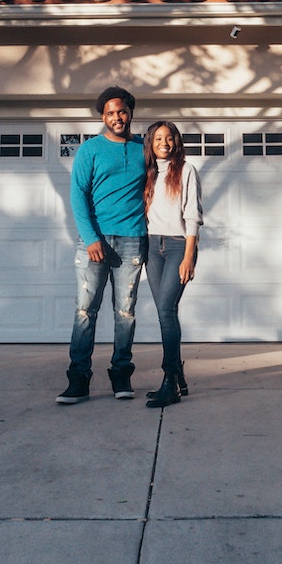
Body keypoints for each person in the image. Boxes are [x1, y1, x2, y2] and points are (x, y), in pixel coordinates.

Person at [56, 86, 148, 405]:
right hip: (94, 241)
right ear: (103, 117)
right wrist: (92, 238)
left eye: (121, 111)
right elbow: (78, 195)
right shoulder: (90, 149)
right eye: (110, 113)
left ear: (130, 112)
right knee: (85, 312)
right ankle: (79, 378)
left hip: (133, 239)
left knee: (125, 313)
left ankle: (121, 374)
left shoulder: (144, 148)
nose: (117, 117)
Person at [141, 120, 203, 409]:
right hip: (152, 247)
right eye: (157, 139)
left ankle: (170, 381)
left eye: (169, 138)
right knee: (165, 311)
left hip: (178, 245)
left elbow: (192, 215)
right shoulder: (148, 173)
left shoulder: (187, 171)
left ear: (176, 142)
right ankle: (179, 377)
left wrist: (189, 256)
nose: (163, 143)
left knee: (166, 310)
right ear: (150, 144)